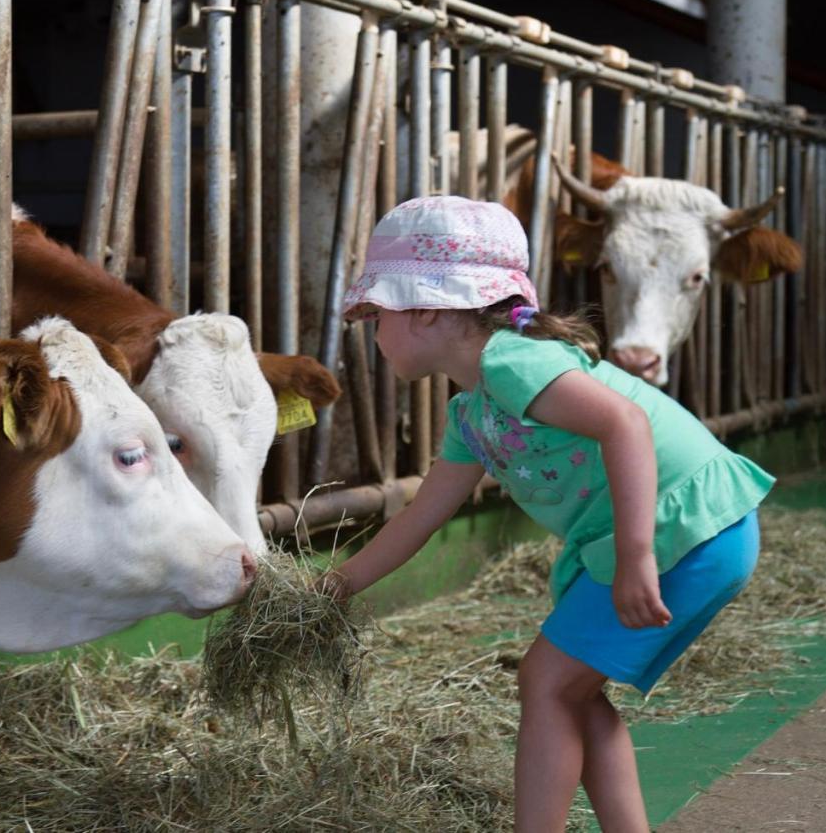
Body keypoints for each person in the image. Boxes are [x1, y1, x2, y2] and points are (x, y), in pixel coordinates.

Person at [321, 196, 772, 833]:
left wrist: (638, 556)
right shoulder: (472, 414)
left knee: (546, 681)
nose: (374, 333)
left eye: (377, 314)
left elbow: (626, 423)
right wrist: (337, 585)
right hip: (662, 535)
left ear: (422, 307)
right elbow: (420, 517)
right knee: (575, 697)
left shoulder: (511, 360)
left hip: (685, 528)